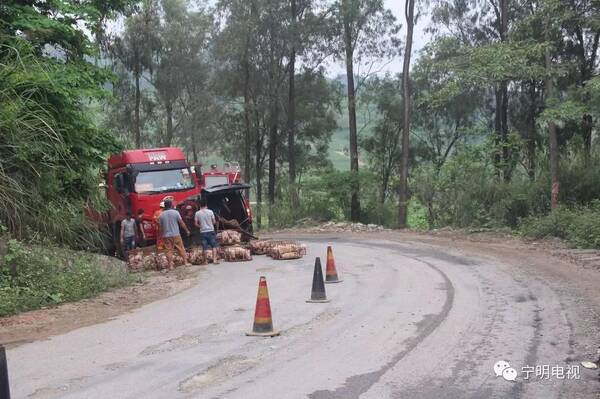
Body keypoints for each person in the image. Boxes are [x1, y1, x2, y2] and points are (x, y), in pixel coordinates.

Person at [158, 199, 191, 270]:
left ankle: (171, 266)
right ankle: (185, 262)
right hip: (176, 234)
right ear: (171, 205)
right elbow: (181, 223)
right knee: (181, 248)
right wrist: (187, 230)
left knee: (168, 250)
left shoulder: (161, 215)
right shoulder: (175, 212)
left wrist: (160, 236)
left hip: (166, 236)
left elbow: (160, 227)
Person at [194, 197, 219, 264]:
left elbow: (196, 224)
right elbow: (214, 222)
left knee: (204, 247)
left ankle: (205, 261)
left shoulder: (197, 213)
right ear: (206, 204)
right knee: (214, 246)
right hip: (211, 231)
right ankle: (214, 260)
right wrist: (210, 224)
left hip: (203, 232)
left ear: (199, 205)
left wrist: (201, 226)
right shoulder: (210, 211)